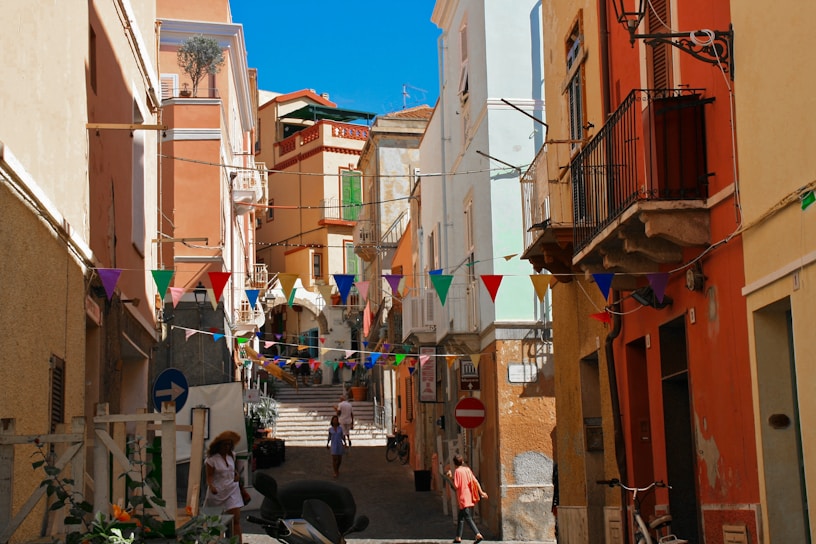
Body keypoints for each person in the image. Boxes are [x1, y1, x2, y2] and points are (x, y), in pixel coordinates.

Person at [204, 430, 247, 541]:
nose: (227, 447)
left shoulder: (232, 455)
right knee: (215, 523)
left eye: (229, 444)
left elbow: (233, 470)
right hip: (217, 493)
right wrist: (211, 486)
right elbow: (209, 476)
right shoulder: (211, 460)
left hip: (232, 490)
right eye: (225, 444)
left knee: (235, 520)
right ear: (219, 446)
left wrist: (236, 475)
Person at [445, 454, 487, 543]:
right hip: (469, 496)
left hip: (462, 497)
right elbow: (475, 481)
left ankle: (477, 534)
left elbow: (456, 486)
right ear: (462, 461)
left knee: (467, 517)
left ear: (454, 463)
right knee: (461, 517)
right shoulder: (467, 470)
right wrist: (481, 492)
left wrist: (449, 478)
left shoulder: (457, 472)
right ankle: (458, 537)